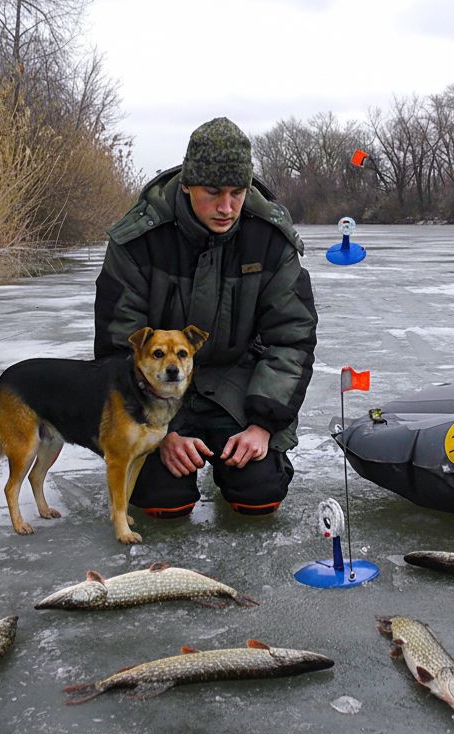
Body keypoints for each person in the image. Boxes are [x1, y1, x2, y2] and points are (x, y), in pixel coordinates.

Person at [94, 117, 317, 518]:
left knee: (259, 494)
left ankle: (244, 459)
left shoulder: (270, 239)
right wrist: (159, 435)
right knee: (163, 500)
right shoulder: (138, 241)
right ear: (186, 186)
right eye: (213, 192)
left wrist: (263, 425)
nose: (227, 207)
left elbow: (291, 339)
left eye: (237, 192)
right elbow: (115, 347)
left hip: (238, 389)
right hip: (155, 392)